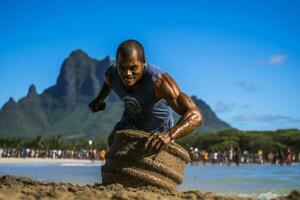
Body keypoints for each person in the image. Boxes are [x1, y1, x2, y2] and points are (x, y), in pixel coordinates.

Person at [89, 39, 202, 150]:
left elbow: (196, 115)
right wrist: (99, 99)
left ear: (143, 63)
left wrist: (169, 135)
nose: (127, 73)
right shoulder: (111, 74)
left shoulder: (160, 82)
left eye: (133, 68)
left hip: (160, 128)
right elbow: (108, 83)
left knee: (152, 156)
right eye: (122, 67)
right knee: (113, 141)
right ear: (116, 63)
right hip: (130, 121)